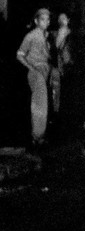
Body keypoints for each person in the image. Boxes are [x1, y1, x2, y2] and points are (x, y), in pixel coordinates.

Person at [17, 8, 52, 147]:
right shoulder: (31, 36)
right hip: (36, 72)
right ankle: (37, 136)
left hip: (45, 71)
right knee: (40, 103)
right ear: (36, 21)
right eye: (43, 19)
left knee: (43, 103)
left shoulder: (47, 36)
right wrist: (31, 67)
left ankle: (39, 136)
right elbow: (19, 55)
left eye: (48, 19)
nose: (46, 22)